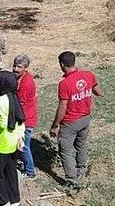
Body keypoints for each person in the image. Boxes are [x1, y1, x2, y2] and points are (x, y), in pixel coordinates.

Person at [49, 51, 102, 187]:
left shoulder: (64, 84)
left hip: (70, 122)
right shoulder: (88, 75)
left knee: (65, 150)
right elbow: (99, 92)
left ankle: (72, 179)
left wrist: (55, 125)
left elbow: (62, 106)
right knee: (81, 144)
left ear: (61, 64)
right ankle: (81, 168)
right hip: (85, 118)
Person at [0, 71, 26, 206]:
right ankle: (15, 199)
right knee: (11, 171)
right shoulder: (15, 97)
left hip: (2, 142)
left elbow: (0, 123)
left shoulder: (0, 102)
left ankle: (3, 201)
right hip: (15, 141)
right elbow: (20, 120)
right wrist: (20, 138)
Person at [13, 54, 38, 179]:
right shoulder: (22, 78)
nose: (15, 69)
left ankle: (30, 171)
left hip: (26, 119)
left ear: (25, 68)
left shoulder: (26, 83)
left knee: (23, 146)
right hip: (25, 116)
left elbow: (20, 103)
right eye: (14, 66)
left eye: (19, 67)